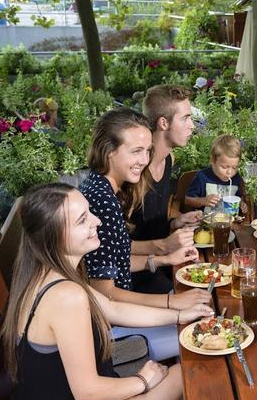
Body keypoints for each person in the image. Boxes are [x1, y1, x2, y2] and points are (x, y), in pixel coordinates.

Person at [2, 183, 213, 400]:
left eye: (89, 212)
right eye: (82, 220)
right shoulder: (66, 296)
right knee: (192, 369)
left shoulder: (45, 274)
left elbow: (114, 308)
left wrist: (180, 314)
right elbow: (87, 391)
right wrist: (142, 381)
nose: (97, 221)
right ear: (54, 236)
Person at [80, 108, 210, 360]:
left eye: (148, 150)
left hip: (123, 315)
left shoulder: (105, 188)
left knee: (204, 313)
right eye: (136, 151)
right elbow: (105, 293)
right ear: (109, 152)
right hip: (112, 335)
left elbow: (114, 261)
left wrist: (162, 260)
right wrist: (173, 304)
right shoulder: (102, 200)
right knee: (202, 336)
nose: (144, 159)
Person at [129, 85, 204, 294]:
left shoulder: (168, 159)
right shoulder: (136, 172)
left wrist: (175, 222)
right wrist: (163, 245)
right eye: (185, 118)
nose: (192, 126)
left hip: (163, 266)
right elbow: (114, 247)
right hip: (135, 279)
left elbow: (146, 222)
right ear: (163, 123)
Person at [185, 134, 249, 212]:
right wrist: (204, 201)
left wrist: (241, 203)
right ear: (213, 161)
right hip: (205, 222)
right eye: (224, 167)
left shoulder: (236, 178)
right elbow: (188, 200)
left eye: (234, 167)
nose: (230, 172)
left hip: (230, 222)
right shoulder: (202, 177)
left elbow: (239, 196)